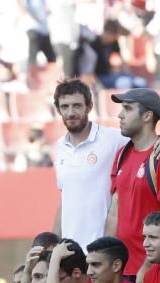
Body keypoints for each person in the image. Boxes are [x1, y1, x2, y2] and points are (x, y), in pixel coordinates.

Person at [105, 88, 160, 283]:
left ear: (147, 116)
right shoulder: (121, 154)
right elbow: (114, 212)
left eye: (128, 108)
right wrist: (107, 259)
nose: (120, 114)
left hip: (150, 271)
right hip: (121, 270)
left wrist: (148, 266)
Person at [51, 79, 128, 252]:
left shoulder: (113, 138)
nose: (71, 113)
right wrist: (53, 245)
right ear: (58, 110)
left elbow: (148, 142)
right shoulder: (59, 146)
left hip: (102, 252)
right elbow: (64, 198)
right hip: (70, 253)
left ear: (90, 106)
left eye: (77, 105)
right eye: (65, 107)